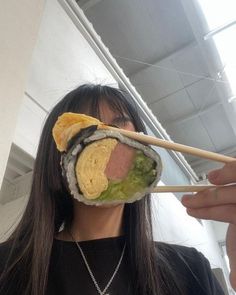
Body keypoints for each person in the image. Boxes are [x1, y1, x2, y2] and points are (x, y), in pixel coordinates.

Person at [0, 83, 234, 295]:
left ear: (140, 149)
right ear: (58, 161)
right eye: (86, 133)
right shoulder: (6, 267)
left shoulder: (191, 270)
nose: (105, 143)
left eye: (118, 130)